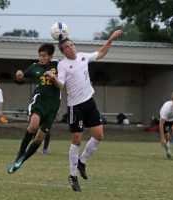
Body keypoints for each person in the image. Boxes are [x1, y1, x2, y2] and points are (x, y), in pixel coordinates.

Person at [45, 30, 123, 192]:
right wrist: (53, 79)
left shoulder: (83, 56)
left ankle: (82, 161)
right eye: (67, 47)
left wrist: (111, 39)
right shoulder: (63, 65)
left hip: (89, 103)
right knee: (77, 141)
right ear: (63, 51)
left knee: (99, 136)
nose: (71, 48)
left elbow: (101, 53)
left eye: (72, 45)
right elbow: (62, 86)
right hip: (76, 107)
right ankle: (73, 176)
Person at [7, 43, 61, 174]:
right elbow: (20, 78)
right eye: (40, 55)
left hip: (54, 104)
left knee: (40, 137)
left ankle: (21, 161)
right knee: (33, 126)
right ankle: (20, 153)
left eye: (44, 56)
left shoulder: (58, 65)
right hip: (39, 100)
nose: (41, 58)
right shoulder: (34, 67)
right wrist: (19, 76)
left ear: (51, 56)